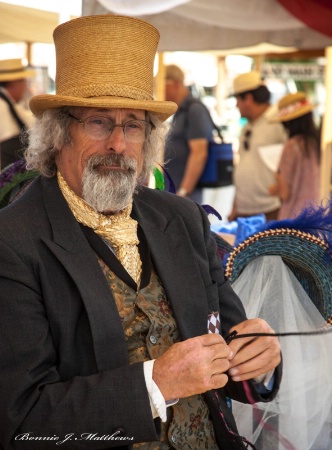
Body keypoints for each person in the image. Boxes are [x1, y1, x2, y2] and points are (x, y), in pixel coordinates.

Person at [0, 14, 281, 450]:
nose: (118, 143)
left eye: (132, 125)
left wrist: (255, 358)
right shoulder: (13, 241)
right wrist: (156, 384)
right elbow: (22, 423)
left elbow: (229, 343)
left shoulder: (183, 219)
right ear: (58, 133)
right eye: (98, 122)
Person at [229, 71, 287, 222]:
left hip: (271, 209)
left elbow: (291, 161)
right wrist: (235, 206)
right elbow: (243, 165)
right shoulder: (247, 126)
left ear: (248, 98)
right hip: (244, 209)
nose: (236, 105)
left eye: (237, 99)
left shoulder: (278, 122)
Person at [164, 64, 214, 202]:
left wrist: (184, 191)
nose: (160, 91)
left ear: (174, 84)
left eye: (162, 85)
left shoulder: (194, 109)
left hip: (187, 196)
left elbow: (199, 153)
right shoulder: (181, 110)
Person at [268, 92, 321, 220]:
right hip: (315, 215)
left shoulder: (291, 146)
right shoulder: (315, 143)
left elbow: (285, 193)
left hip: (293, 217)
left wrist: (277, 176)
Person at [0, 58, 36, 170]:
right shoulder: (2, 105)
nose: (25, 86)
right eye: (24, 81)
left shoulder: (9, 103)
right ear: (15, 82)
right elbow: (8, 144)